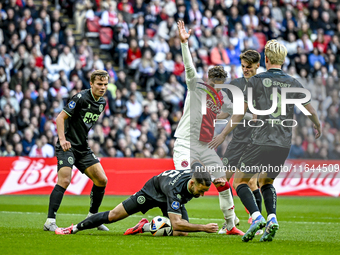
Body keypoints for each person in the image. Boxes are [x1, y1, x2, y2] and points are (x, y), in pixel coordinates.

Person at [209, 40, 321, 242]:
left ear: (266, 59)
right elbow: (310, 110)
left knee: (240, 181)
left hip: (261, 140)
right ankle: (272, 218)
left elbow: (239, 113)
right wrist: (317, 124)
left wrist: (223, 133)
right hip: (283, 143)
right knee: (266, 181)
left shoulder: (256, 81)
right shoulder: (293, 82)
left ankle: (256, 216)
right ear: (284, 60)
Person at [173, 21, 244, 236]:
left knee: (222, 183)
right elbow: (188, 67)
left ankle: (230, 225)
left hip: (205, 146)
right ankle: (173, 218)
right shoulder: (196, 85)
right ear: (208, 80)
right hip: (185, 142)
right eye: (214, 84)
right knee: (181, 181)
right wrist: (184, 44)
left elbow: (237, 111)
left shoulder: (222, 98)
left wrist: (223, 130)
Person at [54, 168, 219, 236]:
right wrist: (204, 228)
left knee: (183, 232)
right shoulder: (175, 190)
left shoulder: (195, 177)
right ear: (192, 183)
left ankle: (144, 227)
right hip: (151, 192)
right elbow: (176, 224)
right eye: (201, 191)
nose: (203, 195)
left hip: (166, 194)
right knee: (113, 216)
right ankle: (74, 228)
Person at [44, 70, 110, 232]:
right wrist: (62, 140)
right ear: (91, 84)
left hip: (82, 147)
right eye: (99, 84)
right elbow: (60, 118)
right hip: (67, 146)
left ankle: (92, 217)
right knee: (65, 180)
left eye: (105, 84)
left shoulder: (101, 103)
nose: (102, 87)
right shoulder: (80, 98)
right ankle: (50, 221)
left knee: (102, 180)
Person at [217, 50, 263, 234]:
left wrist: (222, 134)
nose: (245, 70)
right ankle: (231, 221)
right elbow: (230, 111)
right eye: (243, 66)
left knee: (249, 182)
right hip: (238, 139)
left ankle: (257, 221)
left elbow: (251, 115)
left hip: (253, 139)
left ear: (257, 65)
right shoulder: (239, 85)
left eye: (249, 67)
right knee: (222, 179)